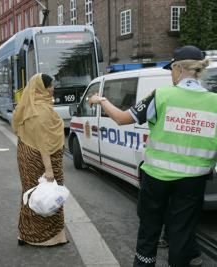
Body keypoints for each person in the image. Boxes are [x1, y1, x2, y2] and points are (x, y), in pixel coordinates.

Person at [88, 45, 216, 267]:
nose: (171, 75)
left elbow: (121, 118)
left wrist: (101, 101)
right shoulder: (214, 103)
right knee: (181, 234)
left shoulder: (161, 95)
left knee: (149, 231)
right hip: (193, 183)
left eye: (171, 70)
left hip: (156, 179)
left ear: (177, 67)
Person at [12, 73, 68, 247]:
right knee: (46, 195)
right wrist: (49, 169)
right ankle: (48, 237)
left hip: (27, 156)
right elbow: (43, 143)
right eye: (50, 86)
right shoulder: (40, 110)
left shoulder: (30, 106)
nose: (53, 89)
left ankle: (25, 234)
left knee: (31, 194)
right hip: (40, 159)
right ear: (42, 88)